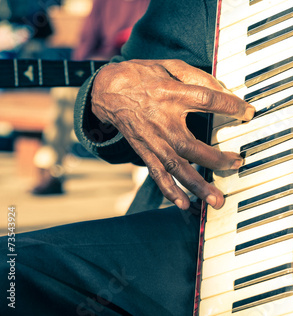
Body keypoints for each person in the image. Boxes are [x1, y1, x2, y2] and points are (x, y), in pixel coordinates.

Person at [0, 0, 255, 315]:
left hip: (216, 226)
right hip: (192, 224)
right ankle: (47, 168)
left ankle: (48, 166)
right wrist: (106, 87)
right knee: (9, 270)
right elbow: (124, 71)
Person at [32, 0, 151, 195]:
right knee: (63, 91)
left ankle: (142, 184)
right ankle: (52, 166)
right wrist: (76, 73)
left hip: (136, 69)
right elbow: (87, 38)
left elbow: (147, 37)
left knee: (140, 98)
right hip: (99, 67)